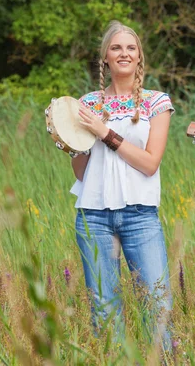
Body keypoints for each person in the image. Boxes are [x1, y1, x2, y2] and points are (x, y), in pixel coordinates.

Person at [69, 20, 173, 345]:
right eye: (116, 48)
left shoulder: (156, 102)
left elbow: (149, 163)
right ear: (106, 58)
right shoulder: (87, 104)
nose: (124, 53)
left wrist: (104, 133)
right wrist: (71, 144)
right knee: (104, 311)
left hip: (140, 217)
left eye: (131, 48)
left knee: (157, 308)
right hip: (93, 216)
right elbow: (81, 172)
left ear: (140, 57)